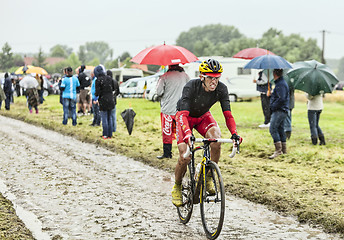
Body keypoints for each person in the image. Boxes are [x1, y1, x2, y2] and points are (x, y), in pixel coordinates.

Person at [171, 59, 242, 207]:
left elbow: (228, 115)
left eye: (217, 77)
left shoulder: (222, 89)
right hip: (185, 117)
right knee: (185, 155)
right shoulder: (191, 86)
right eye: (210, 77)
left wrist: (234, 133)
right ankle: (177, 186)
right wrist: (187, 134)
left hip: (203, 116)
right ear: (202, 77)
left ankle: (208, 175)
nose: (214, 82)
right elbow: (183, 115)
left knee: (216, 140)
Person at [156, 64, 190, 159]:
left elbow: (159, 92)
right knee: (183, 131)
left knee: (167, 132)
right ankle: (187, 152)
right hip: (182, 109)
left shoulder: (165, 76)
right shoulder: (185, 75)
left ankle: (167, 154)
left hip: (168, 108)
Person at [268, 69, 289, 159]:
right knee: (280, 129)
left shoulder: (280, 85)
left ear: (274, 74)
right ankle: (283, 150)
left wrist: (272, 105)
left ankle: (278, 151)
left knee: (273, 129)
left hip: (279, 110)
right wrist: (272, 94)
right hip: (282, 110)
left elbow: (281, 99)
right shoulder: (280, 84)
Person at [95, 65, 115, 139]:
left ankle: (105, 134)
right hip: (111, 99)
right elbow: (113, 88)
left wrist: (96, 95)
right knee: (110, 117)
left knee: (104, 118)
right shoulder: (109, 78)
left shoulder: (98, 80)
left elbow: (97, 92)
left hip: (103, 100)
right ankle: (110, 134)